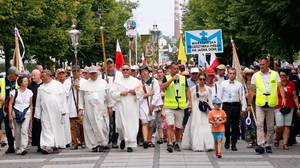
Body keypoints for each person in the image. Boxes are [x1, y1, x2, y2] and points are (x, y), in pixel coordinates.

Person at [247, 56, 286, 154]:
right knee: (259, 124)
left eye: (263, 64)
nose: (261, 66)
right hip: (260, 103)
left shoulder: (274, 74)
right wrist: (249, 103)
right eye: (260, 64)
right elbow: (251, 90)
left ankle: (268, 144)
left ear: (268, 64)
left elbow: (280, 87)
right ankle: (261, 144)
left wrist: (283, 98)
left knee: (270, 126)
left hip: (271, 104)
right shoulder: (256, 75)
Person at [78, 65, 113, 152]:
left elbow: (108, 96)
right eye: (92, 73)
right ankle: (94, 144)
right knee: (90, 127)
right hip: (89, 109)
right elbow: (81, 97)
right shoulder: (85, 85)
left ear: (98, 73)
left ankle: (103, 143)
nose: (94, 75)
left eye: (95, 73)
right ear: (89, 74)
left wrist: (110, 107)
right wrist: (80, 108)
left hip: (102, 108)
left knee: (103, 126)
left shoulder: (103, 83)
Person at [111, 63, 144, 152]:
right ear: (121, 71)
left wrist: (135, 93)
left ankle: (130, 144)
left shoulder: (136, 81)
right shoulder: (117, 82)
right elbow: (112, 94)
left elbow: (141, 93)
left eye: (127, 69)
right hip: (121, 106)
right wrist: (120, 93)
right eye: (123, 69)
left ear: (130, 71)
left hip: (132, 106)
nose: (125, 71)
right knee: (120, 126)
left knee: (131, 126)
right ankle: (122, 139)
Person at [34, 70, 68, 154]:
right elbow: (38, 102)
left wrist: (64, 110)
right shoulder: (41, 88)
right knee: (46, 129)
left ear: (49, 76)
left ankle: (55, 146)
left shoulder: (58, 85)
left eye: (43, 76)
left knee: (56, 129)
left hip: (57, 111)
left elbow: (63, 99)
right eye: (41, 77)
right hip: (45, 112)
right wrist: (37, 114)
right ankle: (47, 147)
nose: (42, 78)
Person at [160, 62, 192, 153]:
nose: (176, 70)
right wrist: (171, 80)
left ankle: (177, 142)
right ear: (170, 69)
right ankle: (170, 143)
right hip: (170, 106)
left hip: (180, 106)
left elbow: (186, 90)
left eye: (177, 68)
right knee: (170, 125)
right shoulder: (167, 78)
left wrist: (190, 101)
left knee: (178, 127)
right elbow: (162, 87)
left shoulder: (183, 78)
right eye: (174, 68)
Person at [182, 72, 214, 151]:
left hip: (205, 108)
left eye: (203, 79)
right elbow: (191, 99)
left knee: (206, 124)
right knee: (196, 124)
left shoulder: (208, 89)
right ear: (198, 79)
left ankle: (208, 144)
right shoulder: (194, 88)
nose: (202, 81)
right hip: (196, 108)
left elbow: (210, 99)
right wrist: (189, 107)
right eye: (200, 79)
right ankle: (197, 144)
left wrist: (212, 109)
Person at [218, 67, 247, 151]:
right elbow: (219, 97)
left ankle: (233, 143)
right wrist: (219, 108)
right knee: (226, 124)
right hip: (226, 105)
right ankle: (227, 139)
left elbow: (242, 97)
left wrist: (244, 107)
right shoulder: (223, 84)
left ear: (235, 74)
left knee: (235, 125)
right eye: (230, 73)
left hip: (235, 105)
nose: (232, 75)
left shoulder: (239, 85)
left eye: (233, 73)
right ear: (228, 74)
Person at [274, 69, 300, 150]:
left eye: (283, 75)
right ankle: (277, 137)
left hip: (290, 106)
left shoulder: (291, 84)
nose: (282, 77)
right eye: (280, 75)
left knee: (287, 125)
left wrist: (298, 107)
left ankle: (285, 143)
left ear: (287, 76)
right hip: (278, 106)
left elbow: (295, 97)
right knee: (279, 126)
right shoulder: (276, 84)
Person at [139, 65, 163, 149]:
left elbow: (157, 94)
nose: (144, 73)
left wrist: (153, 103)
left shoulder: (154, 82)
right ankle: (145, 140)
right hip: (143, 105)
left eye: (145, 71)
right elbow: (138, 95)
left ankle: (149, 140)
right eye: (142, 71)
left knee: (151, 123)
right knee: (144, 122)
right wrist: (147, 94)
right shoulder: (139, 83)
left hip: (153, 105)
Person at [8, 76, 33, 155]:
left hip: (26, 111)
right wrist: (10, 114)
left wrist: (31, 116)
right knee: (17, 130)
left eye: (27, 81)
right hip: (16, 111)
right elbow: (10, 103)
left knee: (24, 129)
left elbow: (31, 104)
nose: (26, 83)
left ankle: (23, 147)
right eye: (24, 81)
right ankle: (18, 147)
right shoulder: (14, 92)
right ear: (20, 82)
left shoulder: (29, 92)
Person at [64, 65, 86, 150]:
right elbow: (64, 92)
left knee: (82, 124)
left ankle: (82, 140)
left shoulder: (84, 81)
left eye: (77, 71)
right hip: (71, 105)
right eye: (74, 71)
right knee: (72, 126)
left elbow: (86, 92)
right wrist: (71, 86)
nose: (75, 73)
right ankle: (74, 142)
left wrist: (80, 89)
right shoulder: (67, 81)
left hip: (80, 105)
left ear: (80, 72)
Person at [103, 58, 123, 148]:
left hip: (116, 101)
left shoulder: (119, 74)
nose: (109, 65)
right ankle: (106, 139)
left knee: (115, 122)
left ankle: (114, 140)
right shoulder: (102, 75)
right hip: (105, 102)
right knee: (106, 122)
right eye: (108, 64)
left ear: (114, 64)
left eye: (111, 63)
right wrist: (104, 83)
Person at [0, 66, 20, 154]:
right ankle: (11, 146)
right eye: (16, 75)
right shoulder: (1, 81)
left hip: (16, 106)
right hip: (4, 106)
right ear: (10, 74)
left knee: (18, 126)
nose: (17, 76)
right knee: (7, 127)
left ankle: (20, 146)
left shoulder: (18, 81)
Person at [28, 69, 43, 152]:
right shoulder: (30, 86)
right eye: (32, 75)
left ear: (39, 75)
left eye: (34, 75)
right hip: (34, 109)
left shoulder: (44, 84)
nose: (33, 77)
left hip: (43, 109)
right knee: (36, 127)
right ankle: (38, 144)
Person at [242, 69, 257, 148]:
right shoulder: (243, 84)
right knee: (246, 122)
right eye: (248, 75)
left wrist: (252, 94)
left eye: (251, 75)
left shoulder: (255, 84)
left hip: (254, 105)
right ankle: (249, 140)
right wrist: (244, 94)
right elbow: (240, 93)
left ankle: (255, 139)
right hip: (245, 104)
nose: (249, 76)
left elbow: (259, 93)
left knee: (254, 123)